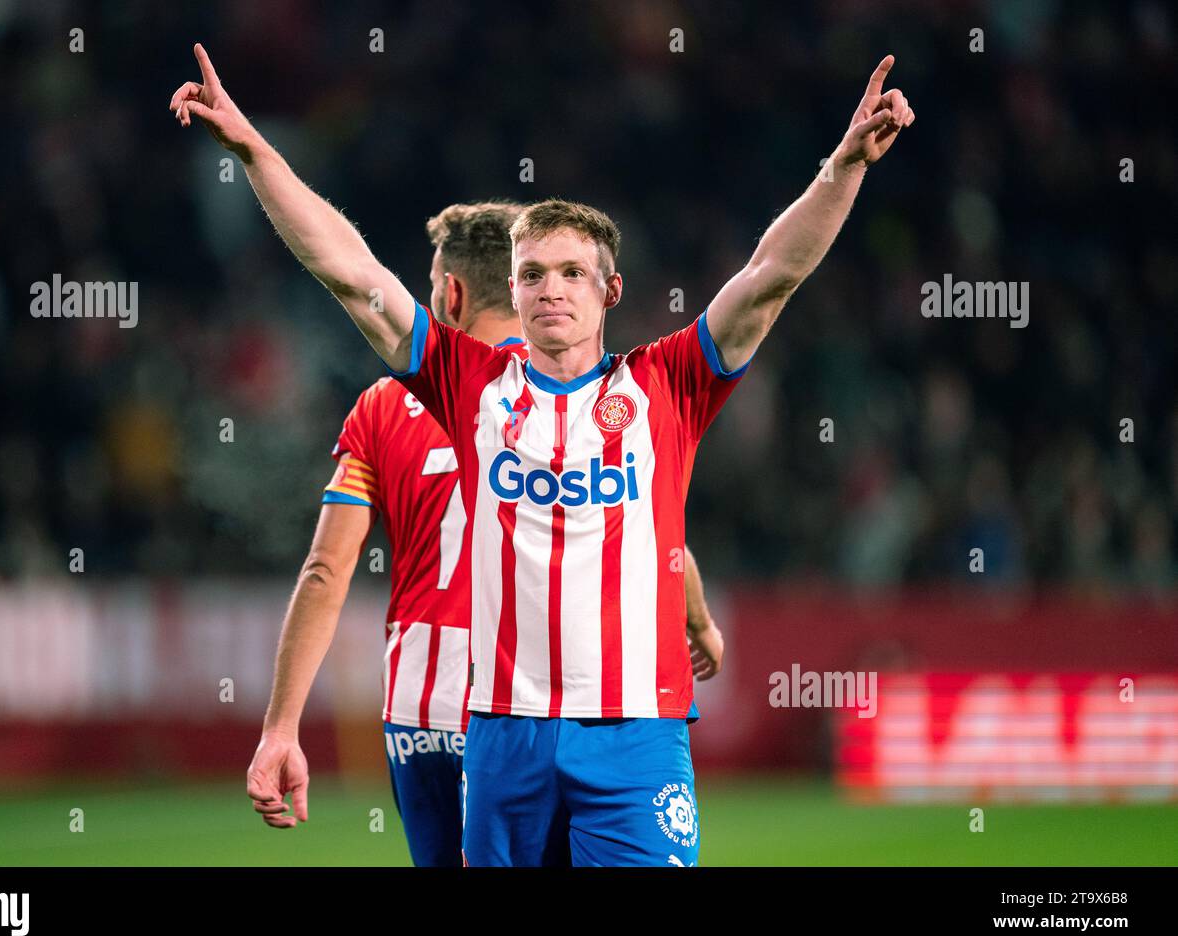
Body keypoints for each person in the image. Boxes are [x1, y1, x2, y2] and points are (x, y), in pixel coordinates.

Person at [171, 43, 910, 865]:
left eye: (571, 271)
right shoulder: (467, 383)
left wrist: (843, 166)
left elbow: (771, 274)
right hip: (501, 737)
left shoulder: (668, 385)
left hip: (634, 735)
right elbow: (351, 273)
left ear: (610, 289)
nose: (552, 288)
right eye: (533, 273)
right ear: (512, 292)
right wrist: (257, 152)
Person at [238, 200, 724, 865]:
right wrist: (694, 617)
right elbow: (642, 525)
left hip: (420, 707)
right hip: (520, 698)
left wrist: (282, 724)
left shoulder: (389, 403)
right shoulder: (562, 380)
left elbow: (325, 569)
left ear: (452, 290)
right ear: (520, 283)